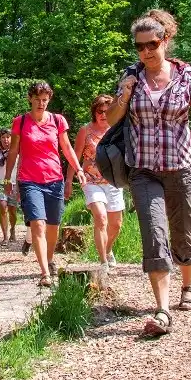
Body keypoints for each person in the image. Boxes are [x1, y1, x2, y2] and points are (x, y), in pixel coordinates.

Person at [105, 9, 191, 337]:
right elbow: (112, 119)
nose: (145, 52)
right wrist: (124, 94)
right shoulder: (131, 76)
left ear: (165, 40)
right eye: (139, 47)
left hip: (180, 167)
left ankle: (188, 285)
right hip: (143, 170)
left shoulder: (186, 75)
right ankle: (162, 309)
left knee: (182, 231)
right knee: (154, 234)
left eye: (151, 44)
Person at [4, 81, 86, 287]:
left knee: (52, 226)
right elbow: (13, 152)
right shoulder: (20, 122)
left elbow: (66, 148)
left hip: (54, 179)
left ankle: (49, 260)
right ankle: (44, 273)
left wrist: (79, 170)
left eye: (45, 100)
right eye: (37, 99)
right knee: (37, 224)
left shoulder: (58, 121)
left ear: (49, 100)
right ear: (30, 99)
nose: (41, 104)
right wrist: (8, 178)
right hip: (29, 180)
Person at [66, 94, 125, 271]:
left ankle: (107, 249)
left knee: (116, 224)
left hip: (113, 180)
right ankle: (103, 262)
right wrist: (69, 180)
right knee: (100, 217)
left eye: (107, 111)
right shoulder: (86, 130)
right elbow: (74, 157)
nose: (103, 115)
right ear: (94, 112)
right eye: (100, 111)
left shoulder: (117, 129)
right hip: (91, 180)